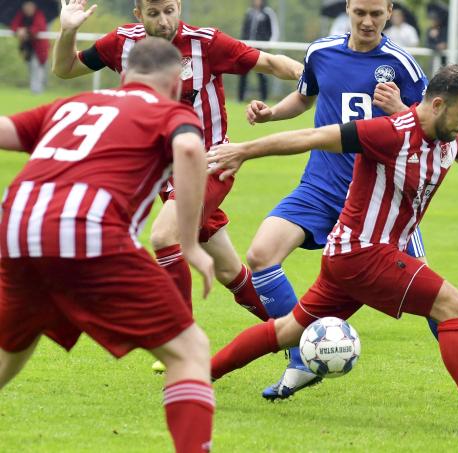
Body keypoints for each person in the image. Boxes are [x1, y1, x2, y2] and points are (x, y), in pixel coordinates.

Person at [208, 64, 458, 434]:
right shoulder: (388, 133)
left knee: (289, 330)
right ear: (437, 104)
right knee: (454, 306)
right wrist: (243, 150)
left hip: (349, 257)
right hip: (363, 253)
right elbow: (311, 136)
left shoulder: (452, 137)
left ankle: (196, 378)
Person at [51, 0, 304, 361]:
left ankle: (181, 342)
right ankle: (301, 340)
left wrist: (311, 71)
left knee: (163, 236)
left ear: (179, 6)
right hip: (165, 173)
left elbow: (270, 62)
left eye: (170, 10)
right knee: (229, 269)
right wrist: (69, 29)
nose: (164, 20)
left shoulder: (206, 43)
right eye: (153, 14)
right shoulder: (122, 43)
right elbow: (65, 69)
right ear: (139, 15)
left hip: (211, 161)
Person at [0, 38, 216, 452]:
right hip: (85, 228)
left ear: (124, 75)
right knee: (190, 351)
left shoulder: (72, 105)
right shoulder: (172, 111)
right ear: (175, 82)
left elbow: (7, 130)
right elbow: (190, 148)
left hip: (16, 227)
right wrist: (189, 244)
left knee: (10, 353)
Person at [241, 0, 429, 400]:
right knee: (261, 255)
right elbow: (305, 98)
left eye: (376, 14)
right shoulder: (321, 52)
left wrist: (400, 109)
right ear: (348, 8)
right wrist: (272, 112)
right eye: (359, 11)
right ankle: (301, 356)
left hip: (377, 200)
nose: (366, 21)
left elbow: (429, 124)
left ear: (390, 12)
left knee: (430, 296)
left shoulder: (403, 64)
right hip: (319, 187)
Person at [238, 0, 280, 102]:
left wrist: (269, 44)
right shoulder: (249, 13)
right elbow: (244, 30)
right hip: (247, 48)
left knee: (262, 74)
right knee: (242, 73)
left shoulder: (268, 13)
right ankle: (240, 98)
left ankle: (264, 98)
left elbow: (274, 30)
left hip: (261, 48)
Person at [10, 1, 50, 94]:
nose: (27, 8)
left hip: (39, 48)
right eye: (26, 6)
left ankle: (37, 90)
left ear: (34, 7)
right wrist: (18, 30)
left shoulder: (39, 15)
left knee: (37, 67)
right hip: (27, 47)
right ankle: (34, 88)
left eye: (29, 6)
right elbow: (14, 26)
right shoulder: (21, 15)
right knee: (31, 67)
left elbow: (38, 28)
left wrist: (26, 31)